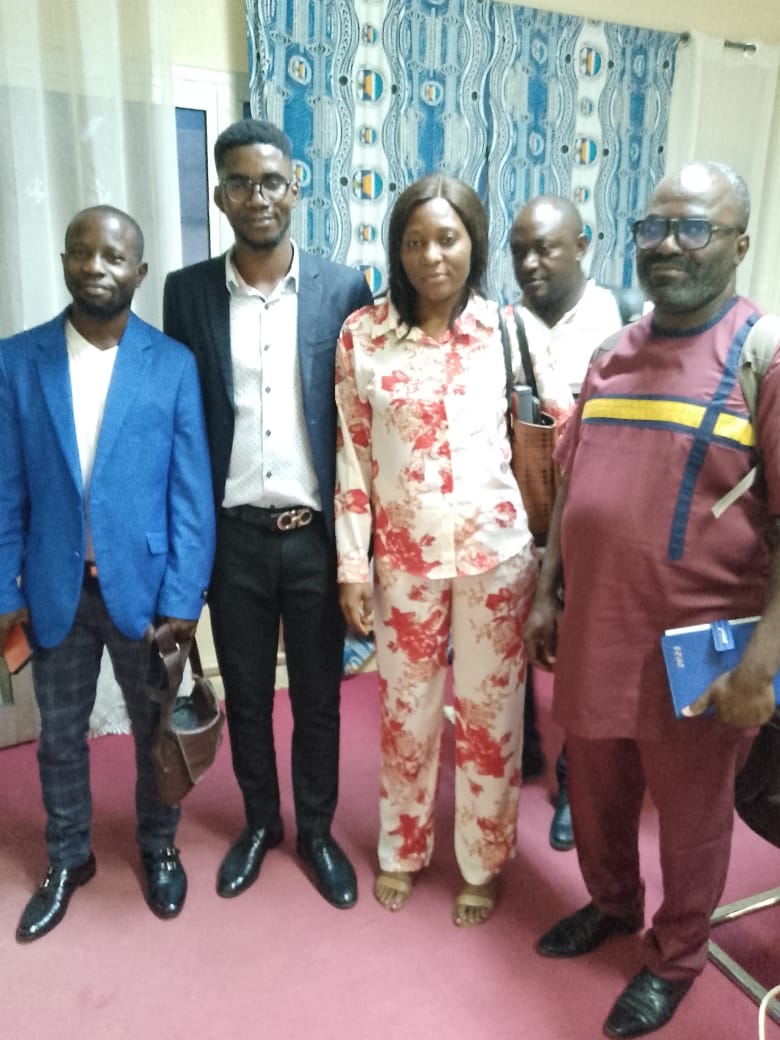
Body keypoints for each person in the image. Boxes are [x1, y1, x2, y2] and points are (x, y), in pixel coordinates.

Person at [524, 161, 779, 1038]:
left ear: (739, 244)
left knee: (692, 821)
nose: (669, 244)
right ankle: (612, 905)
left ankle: (675, 957)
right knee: (595, 795)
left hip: (701, 654)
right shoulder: (611, 355)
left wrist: (762, 666)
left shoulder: (762, 356)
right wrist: (546, 594)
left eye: (695, 227)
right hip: (598, 630)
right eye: (654, 227)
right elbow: (570, 486)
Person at [335, 174, 573, 925]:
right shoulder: (363, 335)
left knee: (489, 719)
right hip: (403, 564)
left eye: (448, 238)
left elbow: (567, 439)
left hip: (497, 561)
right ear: (396, 248)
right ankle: (403, 847)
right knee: (406, 714)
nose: (431, 256)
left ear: (474, 242)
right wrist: (351, 563)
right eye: (415, 241)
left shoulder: (510, 331)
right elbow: (353, 457)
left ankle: (481, 860)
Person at [163, 119, 373, 910]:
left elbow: (356, 418)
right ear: (220, 197)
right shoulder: (185, 293)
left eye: (273, 181)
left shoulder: (342, 288)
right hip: (235, 540)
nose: (259, 197)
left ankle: (316, 830)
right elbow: (187, 423)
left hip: (313, 537)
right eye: (241, 184)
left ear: (296, 187)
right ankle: (261, 824)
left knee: (319, 698)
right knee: (247, 695)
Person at [0, 206, 216, 942]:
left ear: (139, 272)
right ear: (64, 261)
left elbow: (190, 494)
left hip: (147, 593)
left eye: (114, 256)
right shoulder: (17, 361)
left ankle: (159, 846)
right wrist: (6, 589)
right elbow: (6, 489)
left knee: (157, 731)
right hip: (52, 590)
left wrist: (183, 597)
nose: (96, 266)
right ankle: (69, 857)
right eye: (82, 252)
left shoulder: (172, 364)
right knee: (59, 737)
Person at [509, 196, 628, 851]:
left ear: (583, 246)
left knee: (585, 662)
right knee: (515, 636)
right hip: (521, 513)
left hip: (596, 521)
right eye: (519, 251)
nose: (530, 263)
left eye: (545, 248)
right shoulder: (504, 326)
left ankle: (572, 780)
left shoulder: (625, 323)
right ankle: (523, 745)